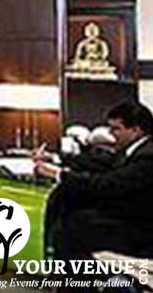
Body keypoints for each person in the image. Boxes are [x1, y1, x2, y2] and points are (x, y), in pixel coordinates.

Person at [34, 102, 153, 266]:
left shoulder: (148, 156)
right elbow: (100, 162)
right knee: (72, 206)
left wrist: (58, 174)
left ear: (136, 130)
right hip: (126, 216)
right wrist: (55, 159)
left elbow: (109, 184)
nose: (110, 134)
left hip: (140, 228)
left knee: (73, 227)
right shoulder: (134, 150)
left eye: (116, 129)